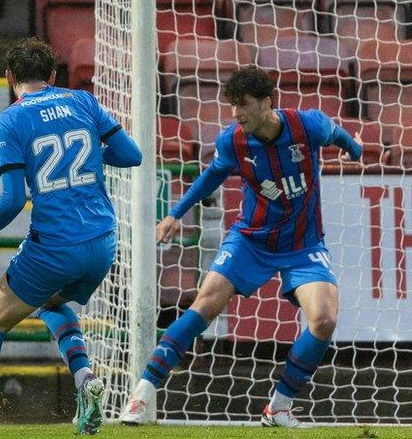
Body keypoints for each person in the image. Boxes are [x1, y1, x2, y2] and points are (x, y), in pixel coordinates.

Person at [0, 38, 142, 435]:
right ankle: (85, 378)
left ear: (9, 77)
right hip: (103, 241)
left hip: (55, 245)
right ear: (53, 76)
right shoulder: (83, 102)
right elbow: (132, 154)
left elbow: (14, 199)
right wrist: (91, 155)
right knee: (51, 304)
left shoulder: (10, 120)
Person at [119, 66, 362, 428]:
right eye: (231, 105)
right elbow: (210, 177)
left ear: (267, 103)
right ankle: (140, 396)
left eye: (243, 104)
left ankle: (278, 407)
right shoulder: (232, 141)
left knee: (324, 320)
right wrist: (175, 214)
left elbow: (337, 134)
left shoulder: (306, 126)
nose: (235, 113)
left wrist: (354, 149)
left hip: (302, 244)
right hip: (251, 239)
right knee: (204, 304)